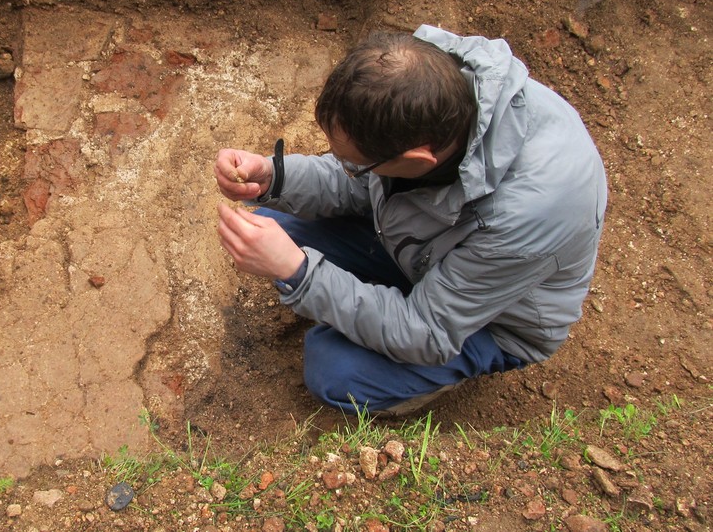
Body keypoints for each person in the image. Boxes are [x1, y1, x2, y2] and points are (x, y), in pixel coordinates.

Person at [214, 25, 607, 415]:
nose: (349, 167)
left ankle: (419, 384)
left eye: (356, 163)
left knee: (336, 372)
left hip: (491, 321)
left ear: (420, 159)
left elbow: (427, 332)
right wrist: (273, 176)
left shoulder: (525, 216)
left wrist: (298, 272)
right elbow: (360, 182)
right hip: (431, 242)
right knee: (277, 222)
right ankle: (379, 294)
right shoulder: (429, 89)